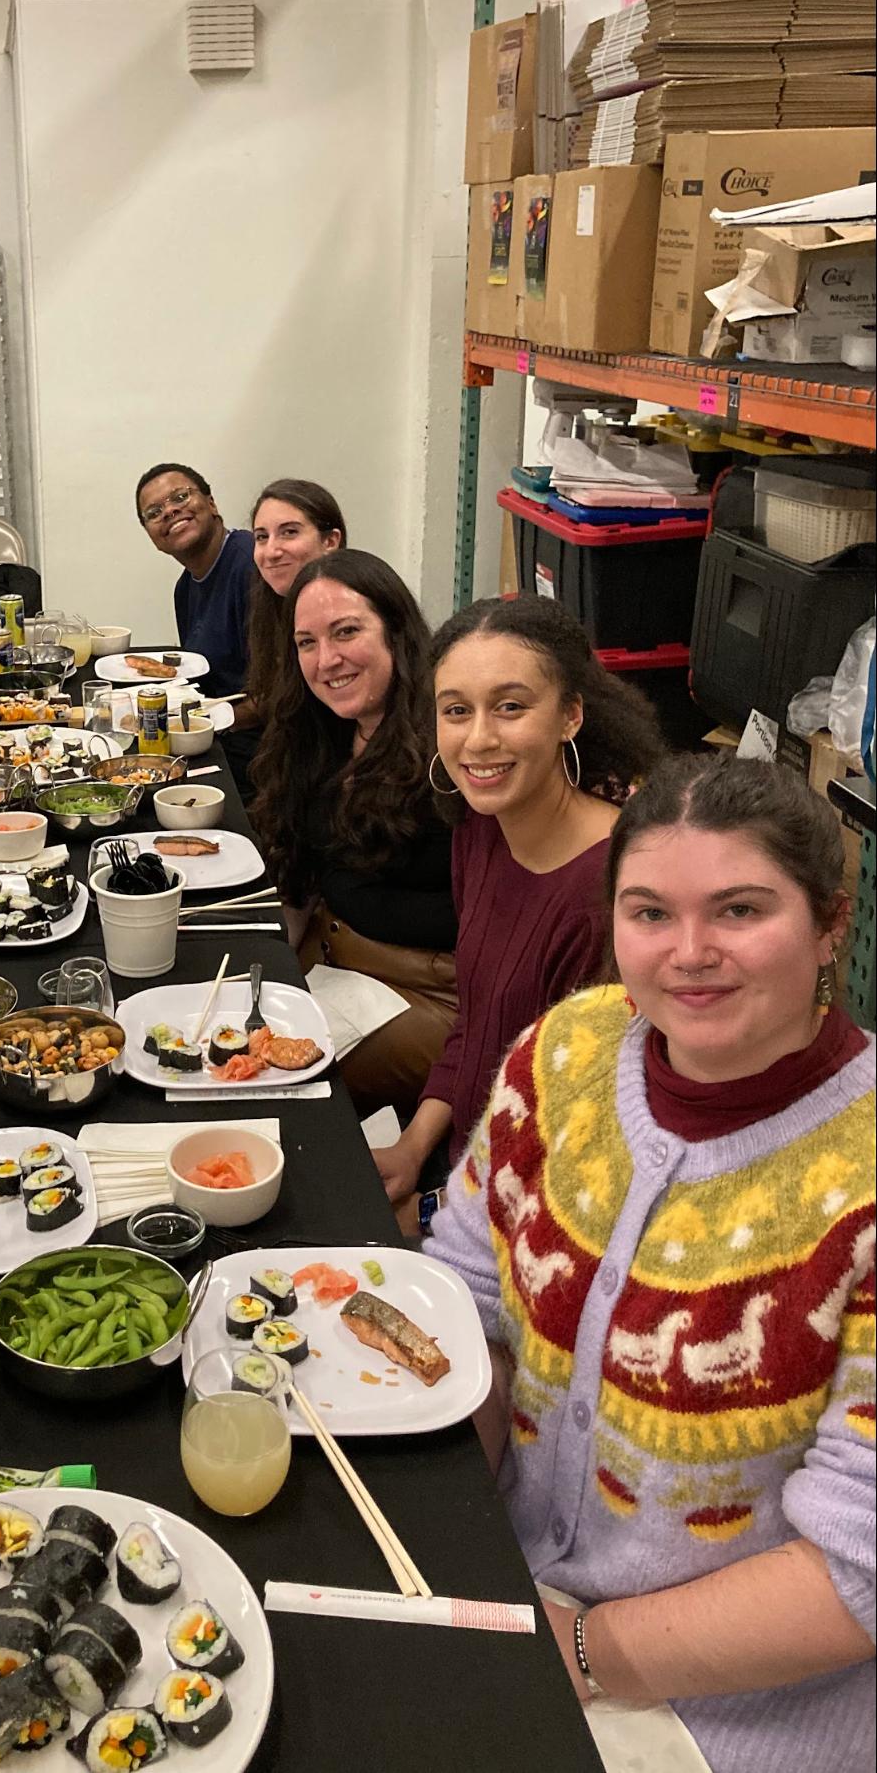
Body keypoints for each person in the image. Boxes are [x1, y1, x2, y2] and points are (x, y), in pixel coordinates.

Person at [426, 755, 875, 1773]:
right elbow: (469, 1289)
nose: (690, 954)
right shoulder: (568, 1051)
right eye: (650, 913)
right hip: (514, 1596)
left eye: (740, 909)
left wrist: (584, 1650)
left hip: (738, 1717)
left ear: (832, 924)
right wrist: (459, 1522)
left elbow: (863, 1566)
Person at [378, 594, 663, 1213]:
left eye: (510, 707)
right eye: (457, 711)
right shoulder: (480, 830)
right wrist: (412, 1146)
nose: (479, 739)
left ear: (570, 716)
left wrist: (441, 1218)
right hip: (466, 1178)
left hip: (533, 1218)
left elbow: (583, 1143)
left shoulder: (610, 898)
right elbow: (477, 1026)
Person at [251, 550, 459, 1117]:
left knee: (272, 1086)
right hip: (339, 965)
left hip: (433, 995)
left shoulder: (450, 741)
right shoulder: (322, 734)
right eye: (307, 643)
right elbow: (303, 878)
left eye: (347, 633)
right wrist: (269, 967)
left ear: (396, 631)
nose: (327, 660)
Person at [134, 463, 256, 699]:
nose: (169, 511)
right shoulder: (184, 589)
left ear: (211, 504)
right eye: (154, 512)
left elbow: (278, 691)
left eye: (180, 497)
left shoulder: (250, 563)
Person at [243, 478, 346, 719]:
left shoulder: (356, 603)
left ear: (330, 541)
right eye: (261, 537)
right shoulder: (270, 610)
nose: (272, 551)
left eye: (289, 532)